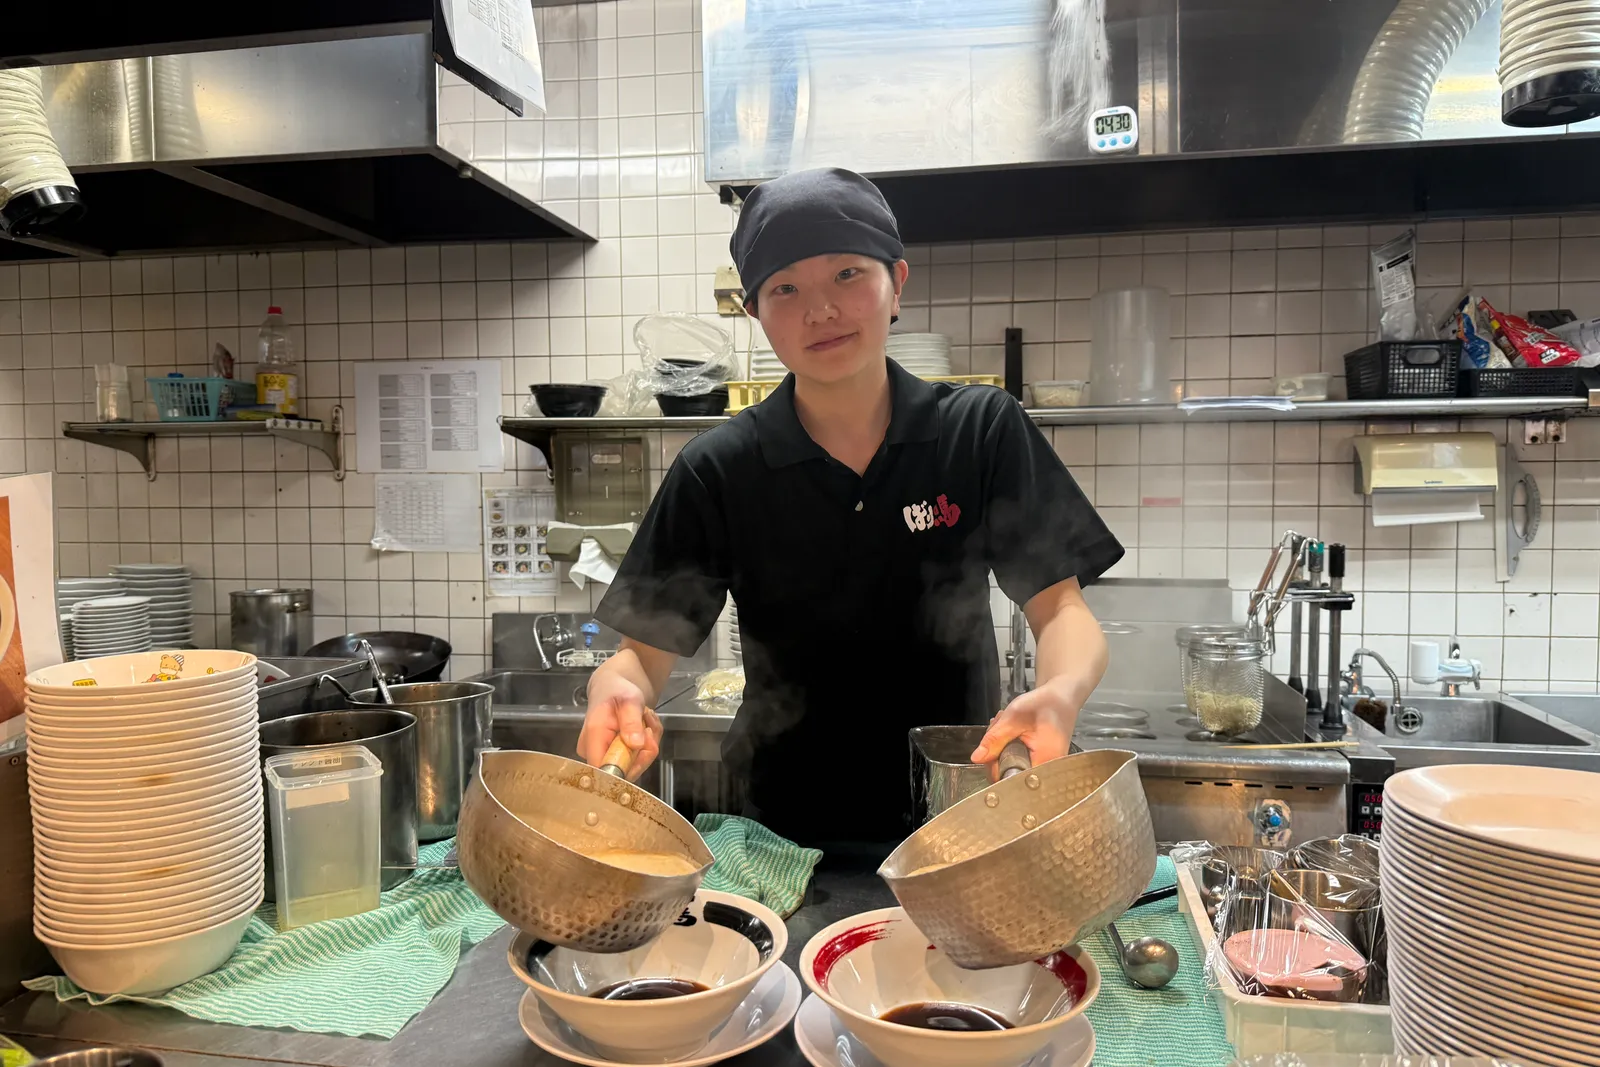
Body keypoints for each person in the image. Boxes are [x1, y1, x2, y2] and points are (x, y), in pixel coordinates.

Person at [578, 167, 1123, 846]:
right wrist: (617, 687)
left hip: (955, 814)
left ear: (896, 283)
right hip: (779, 834)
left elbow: (1062, 611)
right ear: (755, 312)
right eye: (785, 287)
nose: (821, 310)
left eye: (846, 275)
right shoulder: (717, 469)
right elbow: (641, 657)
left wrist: (1062, 689)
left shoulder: (979, 431)